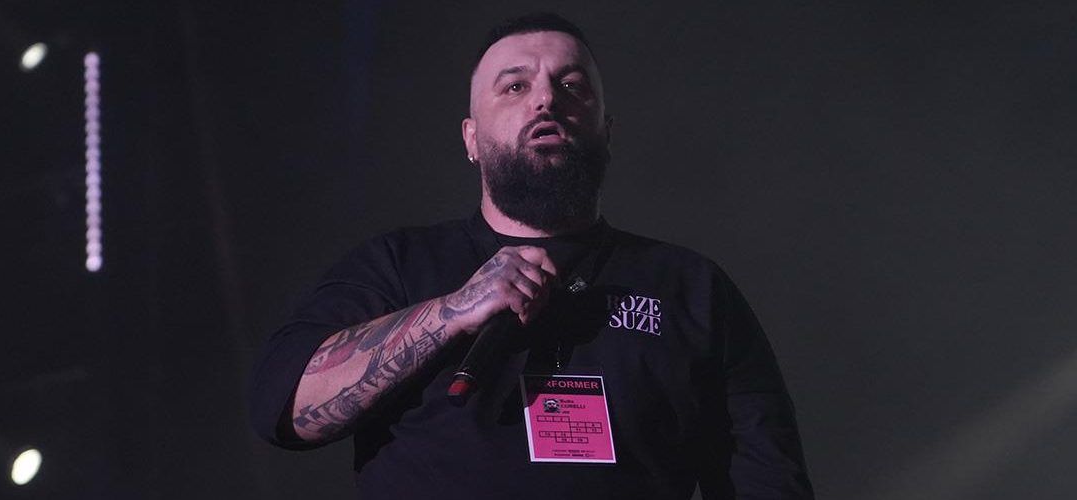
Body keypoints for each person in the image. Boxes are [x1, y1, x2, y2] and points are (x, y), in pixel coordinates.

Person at [250, 12, 814, 499]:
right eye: (515, 86)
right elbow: (283, 407)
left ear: (607, 131)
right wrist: (452, 312)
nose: (547, 98)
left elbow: (767, 479)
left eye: (572, 85)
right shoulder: (399, 264)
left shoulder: (691, 287)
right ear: (471, 138)